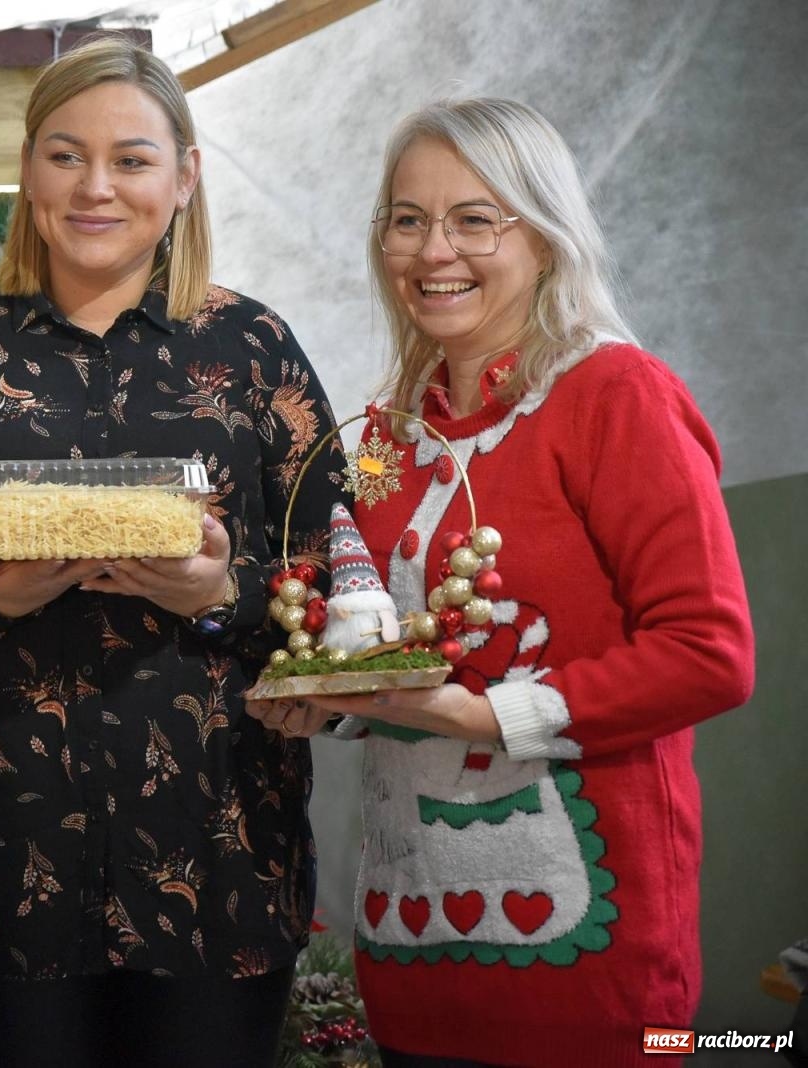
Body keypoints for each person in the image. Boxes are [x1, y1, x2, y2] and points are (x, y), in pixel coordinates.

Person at [0, 36, 344, 1068]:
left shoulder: (251, 348)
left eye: (131, 159)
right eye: (65, 155)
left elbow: (334, 578)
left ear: (183, 174)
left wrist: (219, 588)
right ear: (28, 167)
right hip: (7, 845)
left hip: (219, 835)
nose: (95, 188)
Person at [251, 98, 755, 1066]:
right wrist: (332, 703)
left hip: (592, 961)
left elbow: (709, 656)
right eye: (407, 219)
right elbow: (403, 657)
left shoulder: (615, 395)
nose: (433, 250)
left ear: (547, 236)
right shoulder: (389, 434)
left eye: (475, 218)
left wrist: (474, 718)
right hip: (411, 942)